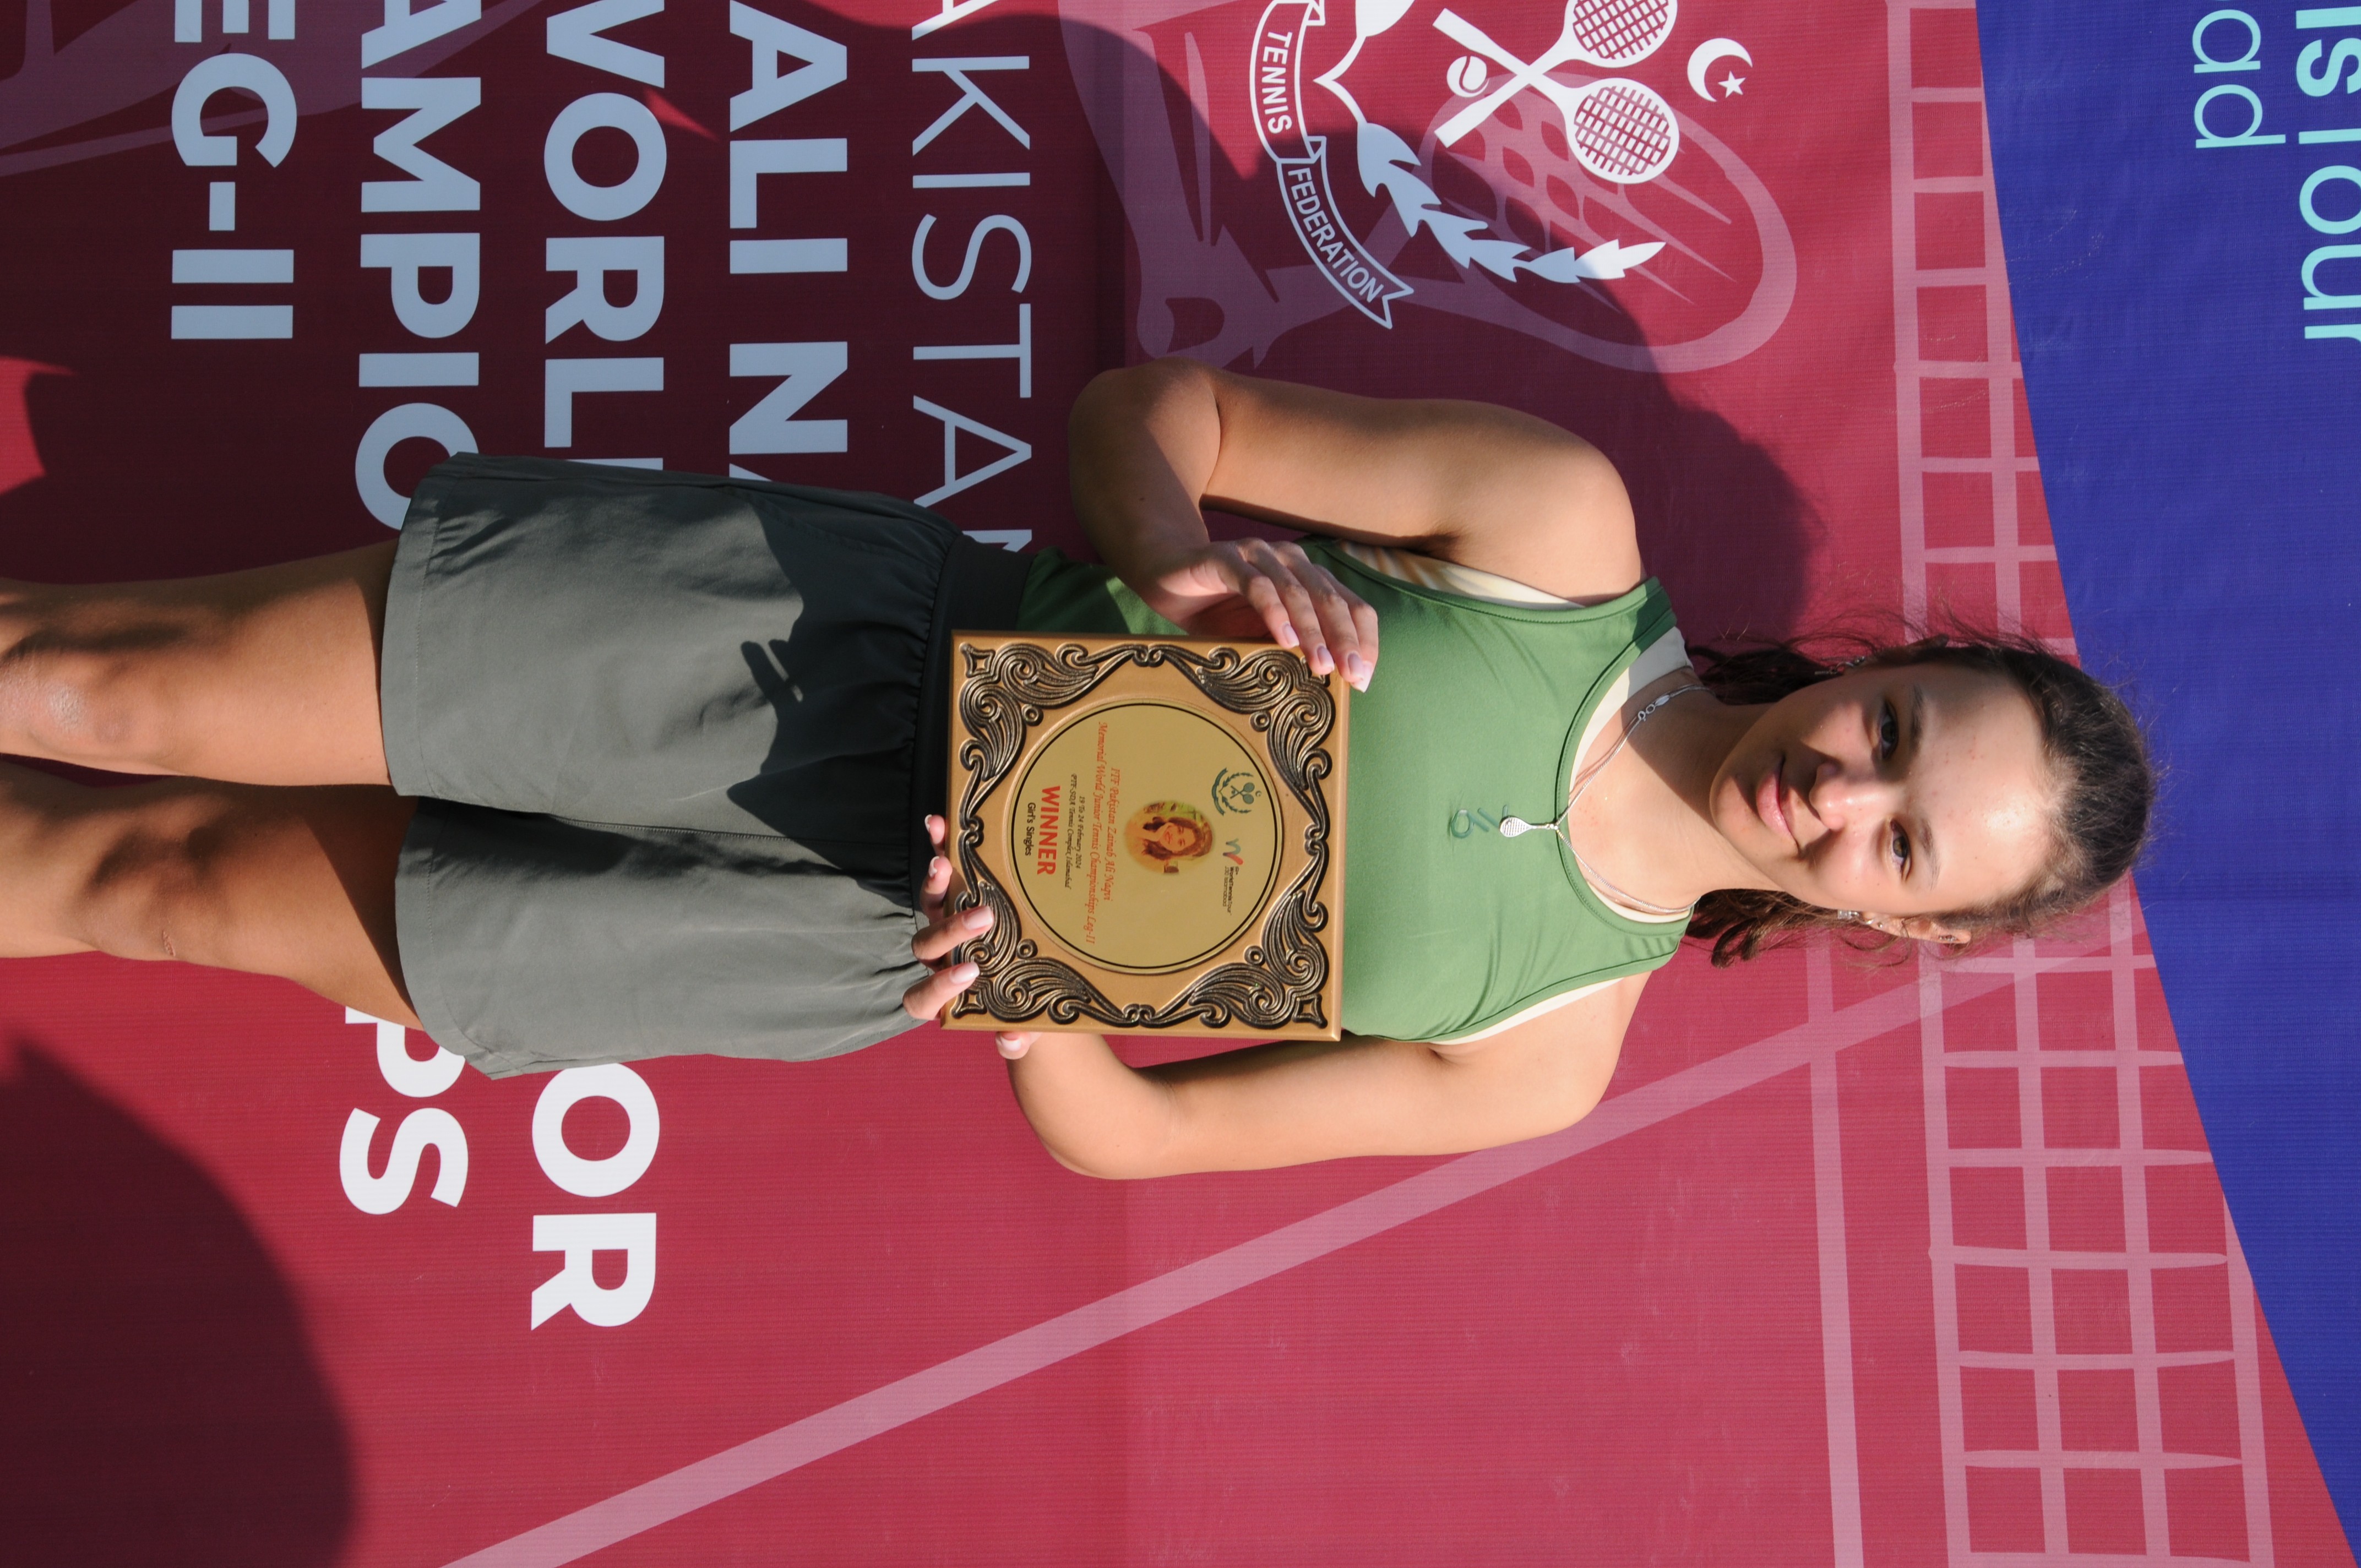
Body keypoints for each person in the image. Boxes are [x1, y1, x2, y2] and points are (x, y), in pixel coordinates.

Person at [0, 361, 2150, 1177]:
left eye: (1898, 842)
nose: (1841, 791)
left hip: (834, 940)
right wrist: (1184, 573)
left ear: (1906, 924)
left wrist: (1034, 989)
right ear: (1889, 667)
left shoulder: (1541, 1049)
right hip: (801, 653)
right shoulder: (1560, 541)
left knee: (166, 890)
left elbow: (1123, 1142)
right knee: (116, 688)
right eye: (1893, 732)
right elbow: (1157, 413)